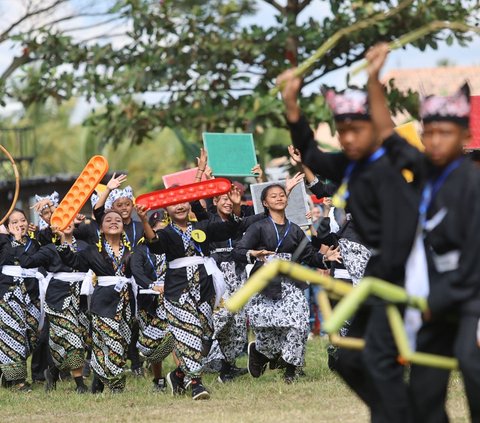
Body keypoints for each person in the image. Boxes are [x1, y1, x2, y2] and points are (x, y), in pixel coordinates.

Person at [277, 43, 418, 421]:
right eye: (342, 132)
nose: (348, 138)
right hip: (377, 272)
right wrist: (292, 106)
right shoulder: (346, 166)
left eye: (357, 130)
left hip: (412, 270)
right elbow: (309, 150)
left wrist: (373, 79)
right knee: (346, 359)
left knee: (407, 362)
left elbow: (386, 126)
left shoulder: (394, 155)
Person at [368, 44, 480, 423]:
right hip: (431, 293)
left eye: (444, 133)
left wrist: (441, 297)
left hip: (468, 295)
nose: (434, 141)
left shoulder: (471, 183)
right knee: (424, 395)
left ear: (463, 133)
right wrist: (373, 79)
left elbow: (473, 257)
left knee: (471, 361)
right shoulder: (427, 170)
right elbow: (386, 134)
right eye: (428, 133)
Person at [233, 184, 341, 383]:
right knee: (268, 328)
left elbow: (308, 255)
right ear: (265, 203)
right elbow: (238, 250)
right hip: (265, 282)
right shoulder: (257, 227)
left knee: (299, 324)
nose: (279, 198)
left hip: (291, 281)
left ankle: (291, 369)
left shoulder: (294, 229)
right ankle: (260, 352)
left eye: (282, 195)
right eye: (273, 196)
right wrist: (254, 253)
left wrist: (326, 258)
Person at [146, 186, 243, 400]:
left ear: (189, 204)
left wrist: (236, 206)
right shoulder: (165, 232)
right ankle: (196, 384)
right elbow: (155, 245)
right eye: (174, 203)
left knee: (205, 336)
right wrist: (144, 220)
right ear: (166, 209)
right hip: (177, 291)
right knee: (188, 333)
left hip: (204, 288)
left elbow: (229, 229)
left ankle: (178, 375)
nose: (179, 206)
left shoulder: (203, 226)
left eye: (183, 201)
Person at [52, 209, 134, 393]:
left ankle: (98, 375)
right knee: (113, 343)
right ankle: (116, 385)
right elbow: (73, 261)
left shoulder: (131, 250)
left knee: (121, 344)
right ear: (101, 228)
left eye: (118, 220)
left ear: (123, 226)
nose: (114, 222)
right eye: (109, 220)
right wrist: (62, 239)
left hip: (127, 303)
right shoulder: (92, 250)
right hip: (103, 303)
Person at [18, 221, 90, 393]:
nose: (67, 223)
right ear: (53, 228)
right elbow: (26, 262)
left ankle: (52, 372)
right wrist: (20, 240)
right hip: (58, 298)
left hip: (82, 297)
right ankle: (80, 384)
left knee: (77, 339)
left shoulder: (84, 246)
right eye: (61, 222)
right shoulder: (50, 248)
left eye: (70, 220)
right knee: (73, 339)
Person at [131, 210, 174, 393]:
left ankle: (183, 376)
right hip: (148, 301)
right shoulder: (140, 250)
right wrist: (152, 285)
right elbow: (136, 270)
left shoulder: (173, 246)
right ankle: (159, 379)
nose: (159, 235)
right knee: (154, 343)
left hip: (173, 297)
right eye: (157, 230)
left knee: (176, 338)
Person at [0, 209, 42, 391]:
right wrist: (13, 240)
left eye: (22, 220)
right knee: (13, 337)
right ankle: (19, 382)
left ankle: (8, 374)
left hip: (31, 295)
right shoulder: (3, 243)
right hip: (9, 294)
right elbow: (6, 259)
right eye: (14, 222)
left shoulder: (35, 243)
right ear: (8, 227)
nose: (20, 225)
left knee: (31, 337)